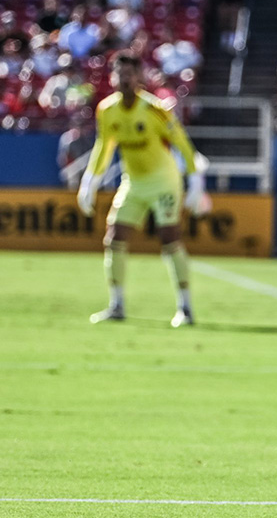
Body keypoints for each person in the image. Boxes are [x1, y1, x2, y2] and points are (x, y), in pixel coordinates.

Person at [76, 53, 207, 327]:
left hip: (163, 181)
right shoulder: (106, 109)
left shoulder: (154, 109)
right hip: (133, 182)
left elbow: (180, 140)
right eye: (119, 73)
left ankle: (185, 308)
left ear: (139, 79)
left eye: (129, 74)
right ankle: (117, 305)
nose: (123, 79)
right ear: (112, 77)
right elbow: (104, 146)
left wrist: (195, 180)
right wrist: (90, 180)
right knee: (114, 239)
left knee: (170, 238)